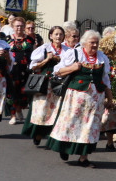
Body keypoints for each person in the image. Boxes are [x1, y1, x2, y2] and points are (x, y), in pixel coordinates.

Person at [47, 30, 112, 167]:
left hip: (95, 99)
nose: (94, 45)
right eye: (92, 43)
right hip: (76, 97)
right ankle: (64, 147)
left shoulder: (102, 57)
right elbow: (57, 71)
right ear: (84, 43)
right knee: (71, 123)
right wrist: (72, 68)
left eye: (97, 43)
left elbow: (106, 80)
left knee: (90, 127)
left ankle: (84, 157)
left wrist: (110, 98)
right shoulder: (74, 53)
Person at [22, 26, 67, 145]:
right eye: (56, 34)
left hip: (59, 84)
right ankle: (37, 133)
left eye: (61, 34)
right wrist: (47, 60)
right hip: (44, 83)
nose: (58, 37)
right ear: (51, 36)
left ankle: (52, 135)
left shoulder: (67, 50)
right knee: (41, 110)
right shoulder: (44, 48)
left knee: (57, 110)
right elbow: (32, 67)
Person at [5, 17, 36, 125]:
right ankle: (13, 114)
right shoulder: (7, 39)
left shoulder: (30, 39)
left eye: (21, 26)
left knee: (22, 93)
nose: (19, 28)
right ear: (13, 27)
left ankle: (19, 109)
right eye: (17, 26)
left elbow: (35, 54)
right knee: (12, 93)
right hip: (12, 69)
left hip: (25, 70)